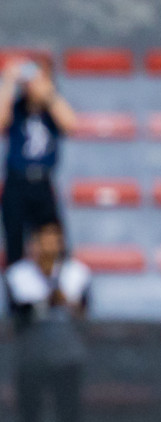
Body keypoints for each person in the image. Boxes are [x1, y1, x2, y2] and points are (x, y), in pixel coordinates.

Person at [6, 221, 90, 422]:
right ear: (33, 244)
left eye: (55, 239)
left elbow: (85, 311)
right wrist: (48, 301)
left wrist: (64, 302)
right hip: (32, 357)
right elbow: (19, 313)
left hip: (67, 357)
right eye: (43, 239)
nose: (49, 246)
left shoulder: (77, 273)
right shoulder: (19, 274)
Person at [0, 58, 75, 266]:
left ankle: (57, 290)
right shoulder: (17, 108)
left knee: (54, 240)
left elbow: (70, 124)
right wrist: (8, 83)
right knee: (14, 244)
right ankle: (18, 295)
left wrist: (47, 93)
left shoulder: (50, 111)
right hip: (16, 182)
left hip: (42, 182)